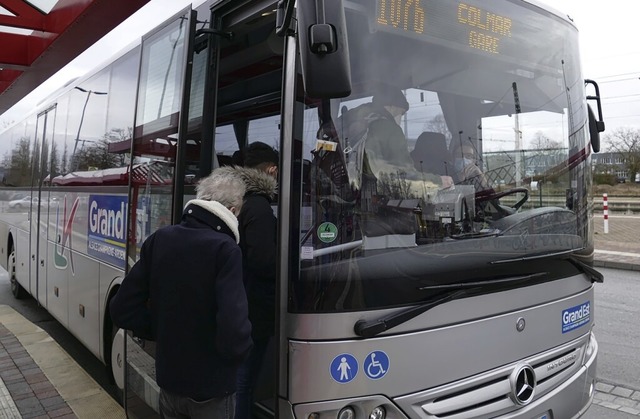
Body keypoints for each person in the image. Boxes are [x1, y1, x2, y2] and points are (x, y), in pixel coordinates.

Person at [109, 167, 252, 419]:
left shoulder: (160, 239)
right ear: (231, 211)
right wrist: (239, 355)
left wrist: (159, 330)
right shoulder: (226, 250)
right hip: (212, 388)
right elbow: (233, 328)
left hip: (170, 382)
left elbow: (121, 308)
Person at [339, 85, 454, 196]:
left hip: (347, 195)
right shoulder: (389, 128)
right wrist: (437, 182)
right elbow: (404, 179)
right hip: (375, 203)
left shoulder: (349, 121)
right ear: (391, 106)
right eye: (402, 113)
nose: (401, 117)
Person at [234, 141, 279, 419]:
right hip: (254, 306)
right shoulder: (260, 208)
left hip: (240, 301)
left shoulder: (239, 201)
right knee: (244, 380)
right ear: (272, 170)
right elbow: (264, 262)